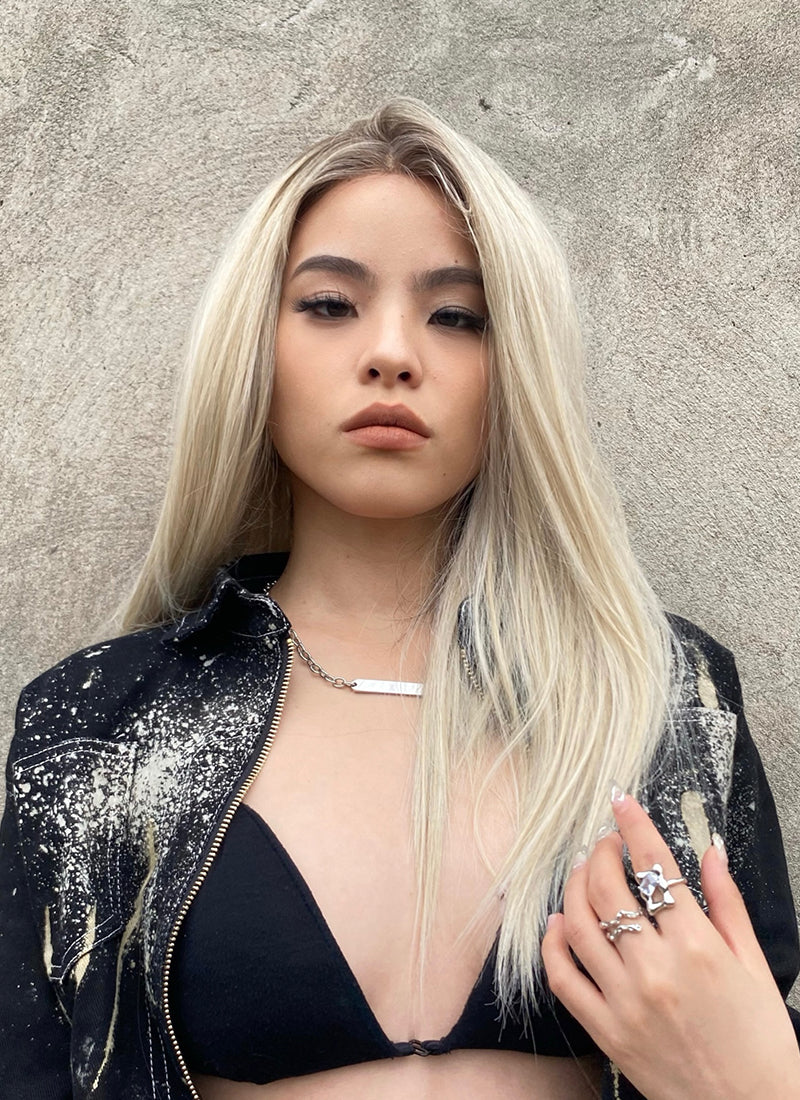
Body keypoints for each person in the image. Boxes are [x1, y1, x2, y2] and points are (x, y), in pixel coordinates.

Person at [0, 97, 798, 1100]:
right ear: (253, 346)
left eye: (456, 315)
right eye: (329, 304)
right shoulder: (103, 722)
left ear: (517, 367)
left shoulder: (663, 697)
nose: (391, 352)